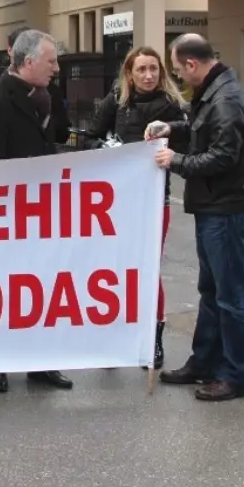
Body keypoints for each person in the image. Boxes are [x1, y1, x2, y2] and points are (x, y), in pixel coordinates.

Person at [148, 33, 244, 402]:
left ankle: (236, 376)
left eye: (179, 70)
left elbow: (223, 156)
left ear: (192, 64)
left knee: (230, 297)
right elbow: (200, 129)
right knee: (212, 293)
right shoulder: (214, 90)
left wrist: (175, 161)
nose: (180, 76)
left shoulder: (225, 99)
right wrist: (172, 129)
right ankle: (205, 363)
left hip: (225, 210)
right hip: (215, 208)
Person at [0, 28, 74, 394]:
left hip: (43, 209)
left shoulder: (48, 95)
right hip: (8, 211)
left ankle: (41, 362)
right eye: (51, 61)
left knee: (42, 286)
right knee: (4, 289)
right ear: (28, 61)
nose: (57, 68)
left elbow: (59, 138)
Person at [82, 45, 187, 370]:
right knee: (113, 267)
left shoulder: (172, 105)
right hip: (116, 201)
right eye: (141, 69)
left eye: (154, 69)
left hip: (155, 199)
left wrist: (170, 135)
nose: (148, 75)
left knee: (148, 268)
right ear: (129, 73)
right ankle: (112, 338)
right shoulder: (116, 102)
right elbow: (87, 138)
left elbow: (192, 139)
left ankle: (152, 340)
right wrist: (105, 147)